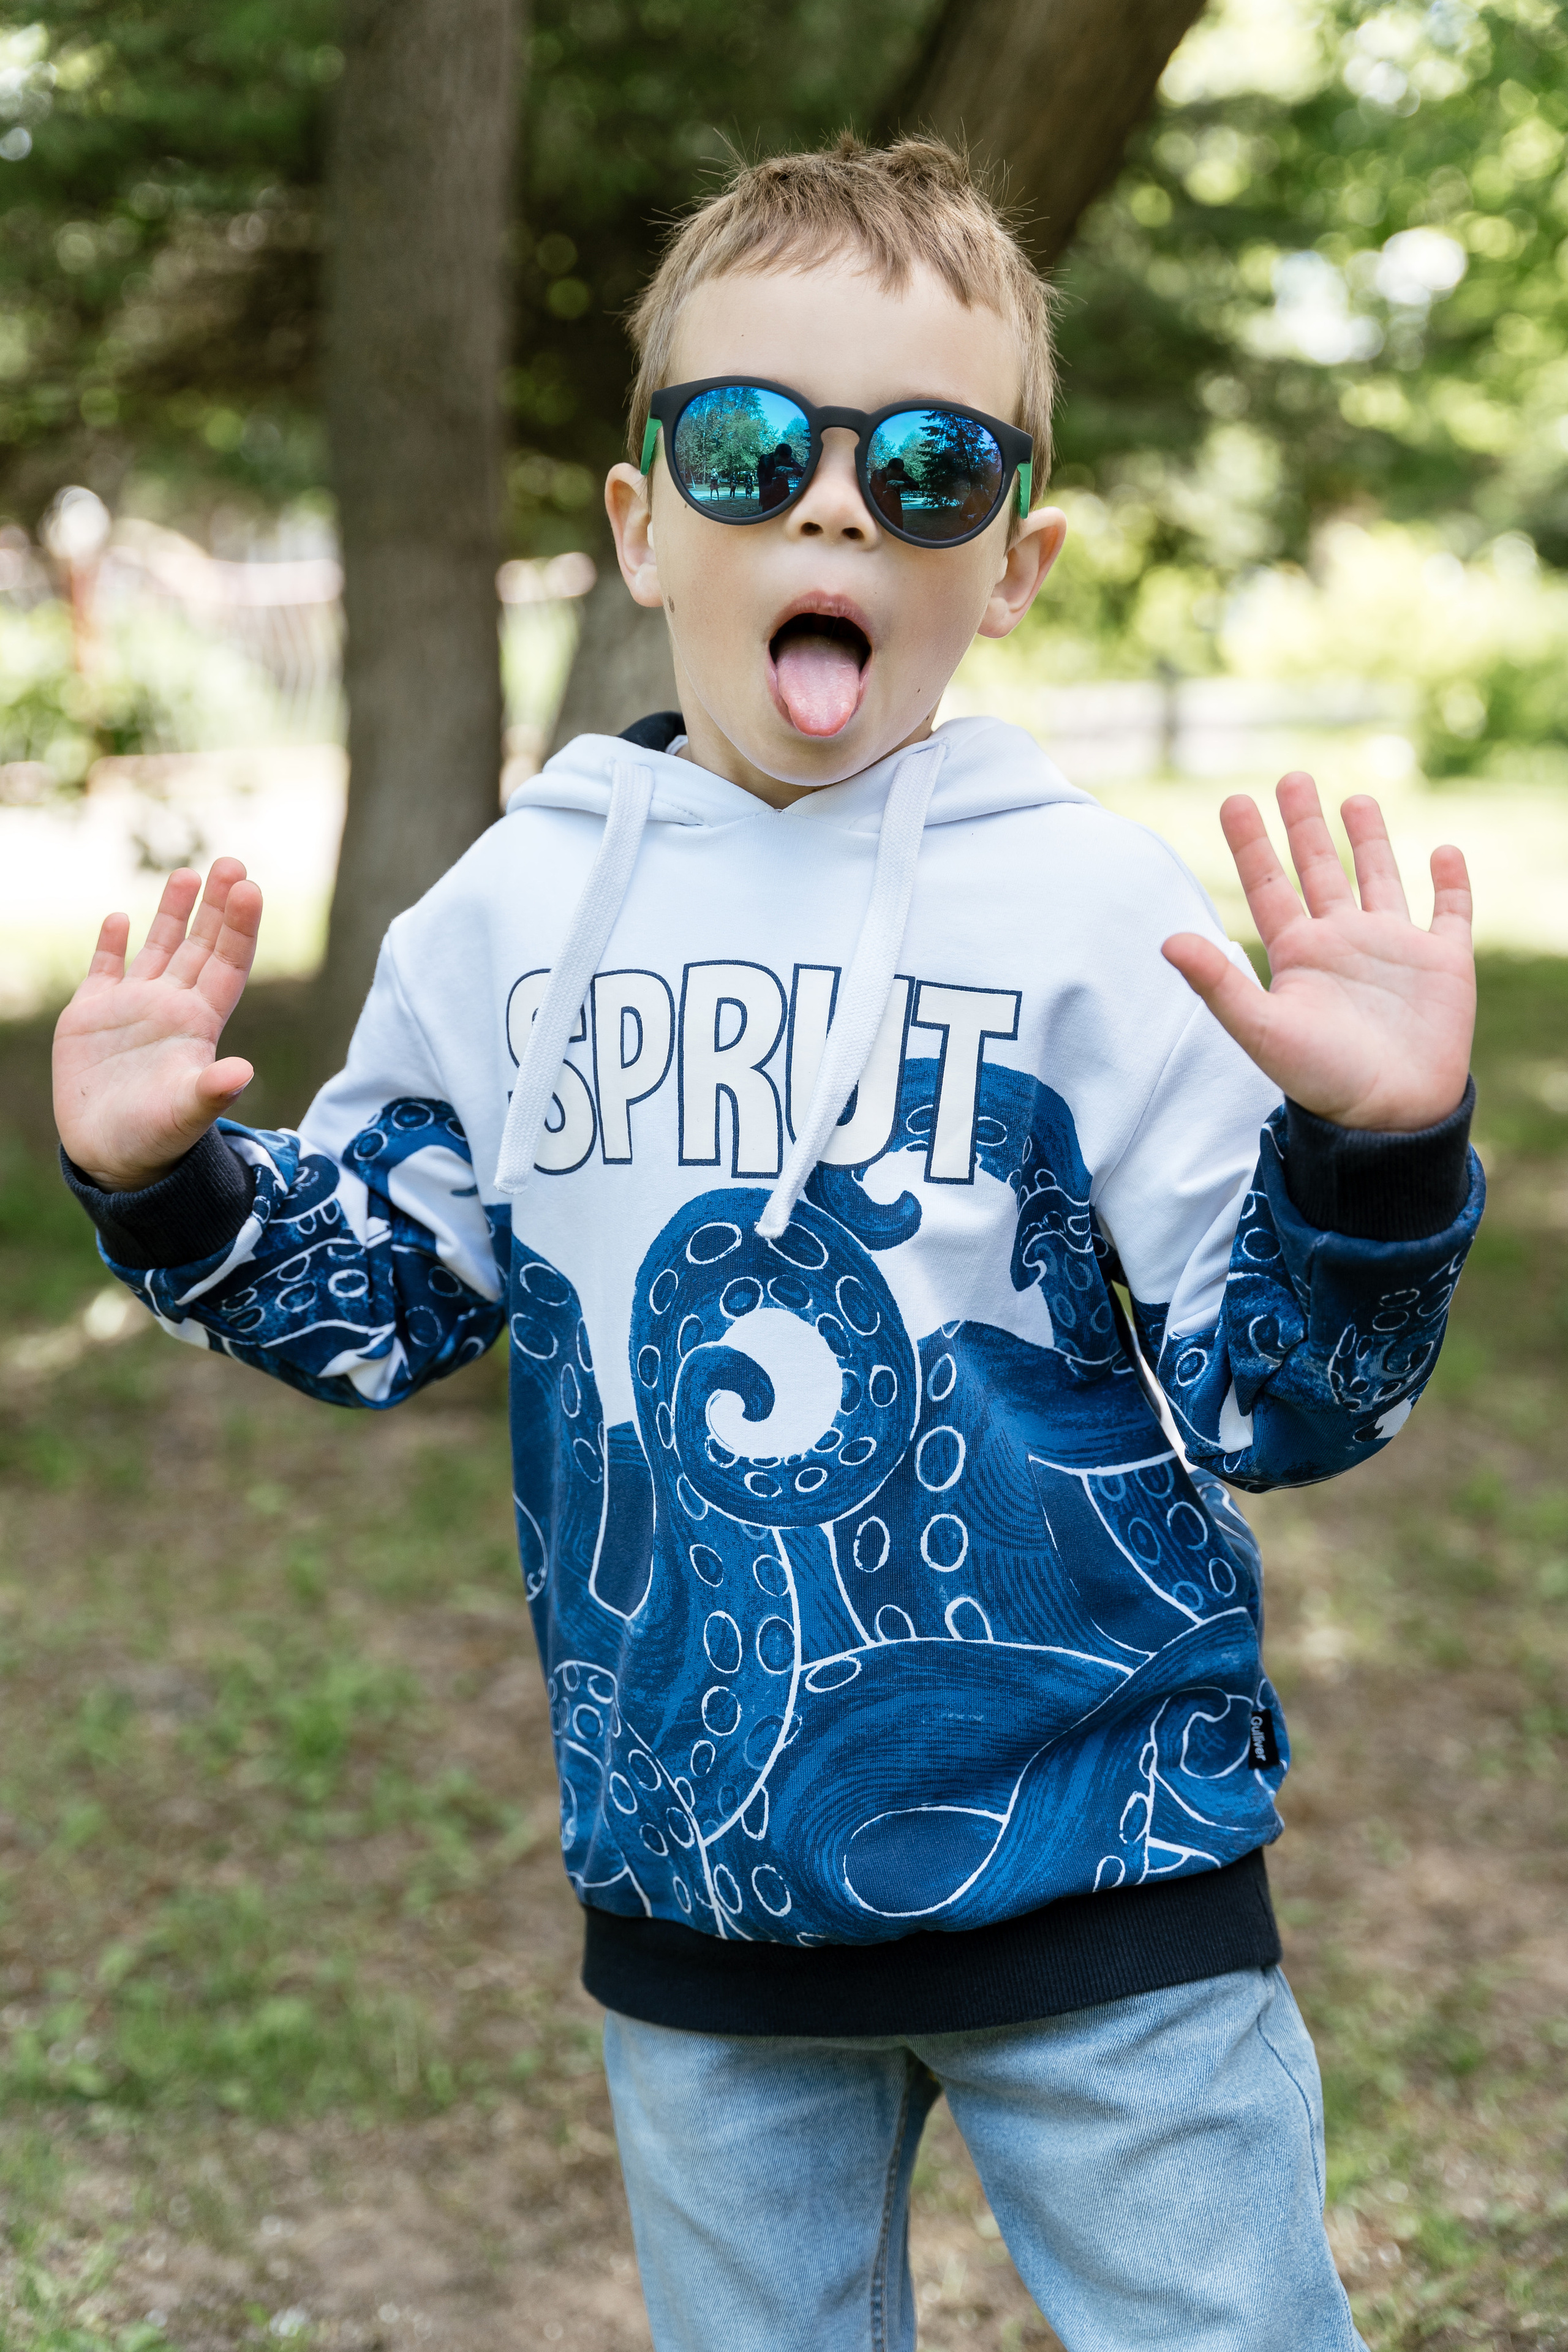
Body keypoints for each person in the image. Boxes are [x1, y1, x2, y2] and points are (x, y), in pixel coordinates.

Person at [53, 135, 1481, 2352]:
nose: (831, 507)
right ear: (643, 519)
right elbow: (380, 1308)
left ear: (1014, 559)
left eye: (925, 468)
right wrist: (169, 1190)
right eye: (748, 445)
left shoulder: (1106, 922)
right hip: (701, 1912)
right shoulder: (515, 918)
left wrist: (1375, 1158)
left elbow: (1284, 1399)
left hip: (1110, 1878)